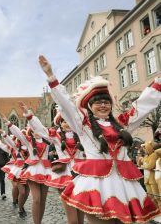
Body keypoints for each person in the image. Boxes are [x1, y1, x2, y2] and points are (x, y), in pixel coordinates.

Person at [38, 54, 161, 223]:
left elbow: (142, 106)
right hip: (96, 184)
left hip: (125, 185)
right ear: (89, 105)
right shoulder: (83, 124)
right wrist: (51, 77)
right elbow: (66, 105)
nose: (103, 105)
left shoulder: (123, 123)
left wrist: (157, 84)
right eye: (97, 102)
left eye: (106, 101)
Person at [22, 104, 86, 224]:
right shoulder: (55, 136)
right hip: (64, 174)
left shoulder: (82, 135)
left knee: (80, 215)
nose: (67, 124)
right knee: (73, 220)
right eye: (64, 121)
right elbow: (41, 129)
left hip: (81, 174)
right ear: (60, 123)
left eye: (69, 121)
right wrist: (30, 116)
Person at [0, 127, 30, 219]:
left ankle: (21, 205)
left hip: (28, 170)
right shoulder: (14, 147)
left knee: (26, 193)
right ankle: (19, 207)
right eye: (20, 137)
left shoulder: (30, 146)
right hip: (17, 170)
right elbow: (4, 143)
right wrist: (1, 134)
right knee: (21, 191)